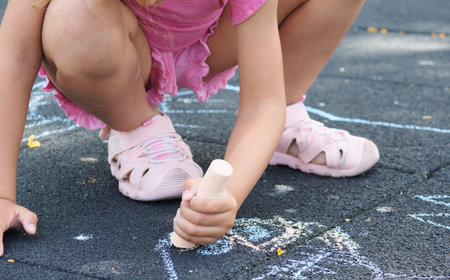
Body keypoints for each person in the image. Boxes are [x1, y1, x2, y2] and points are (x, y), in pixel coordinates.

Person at [0, 0, 379, 256]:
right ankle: (134, 124)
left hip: (211, 40)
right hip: (114, 47)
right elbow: (13, 56)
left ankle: (287, 119)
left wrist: (224, 195)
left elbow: (262, 106)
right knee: (72, 14)